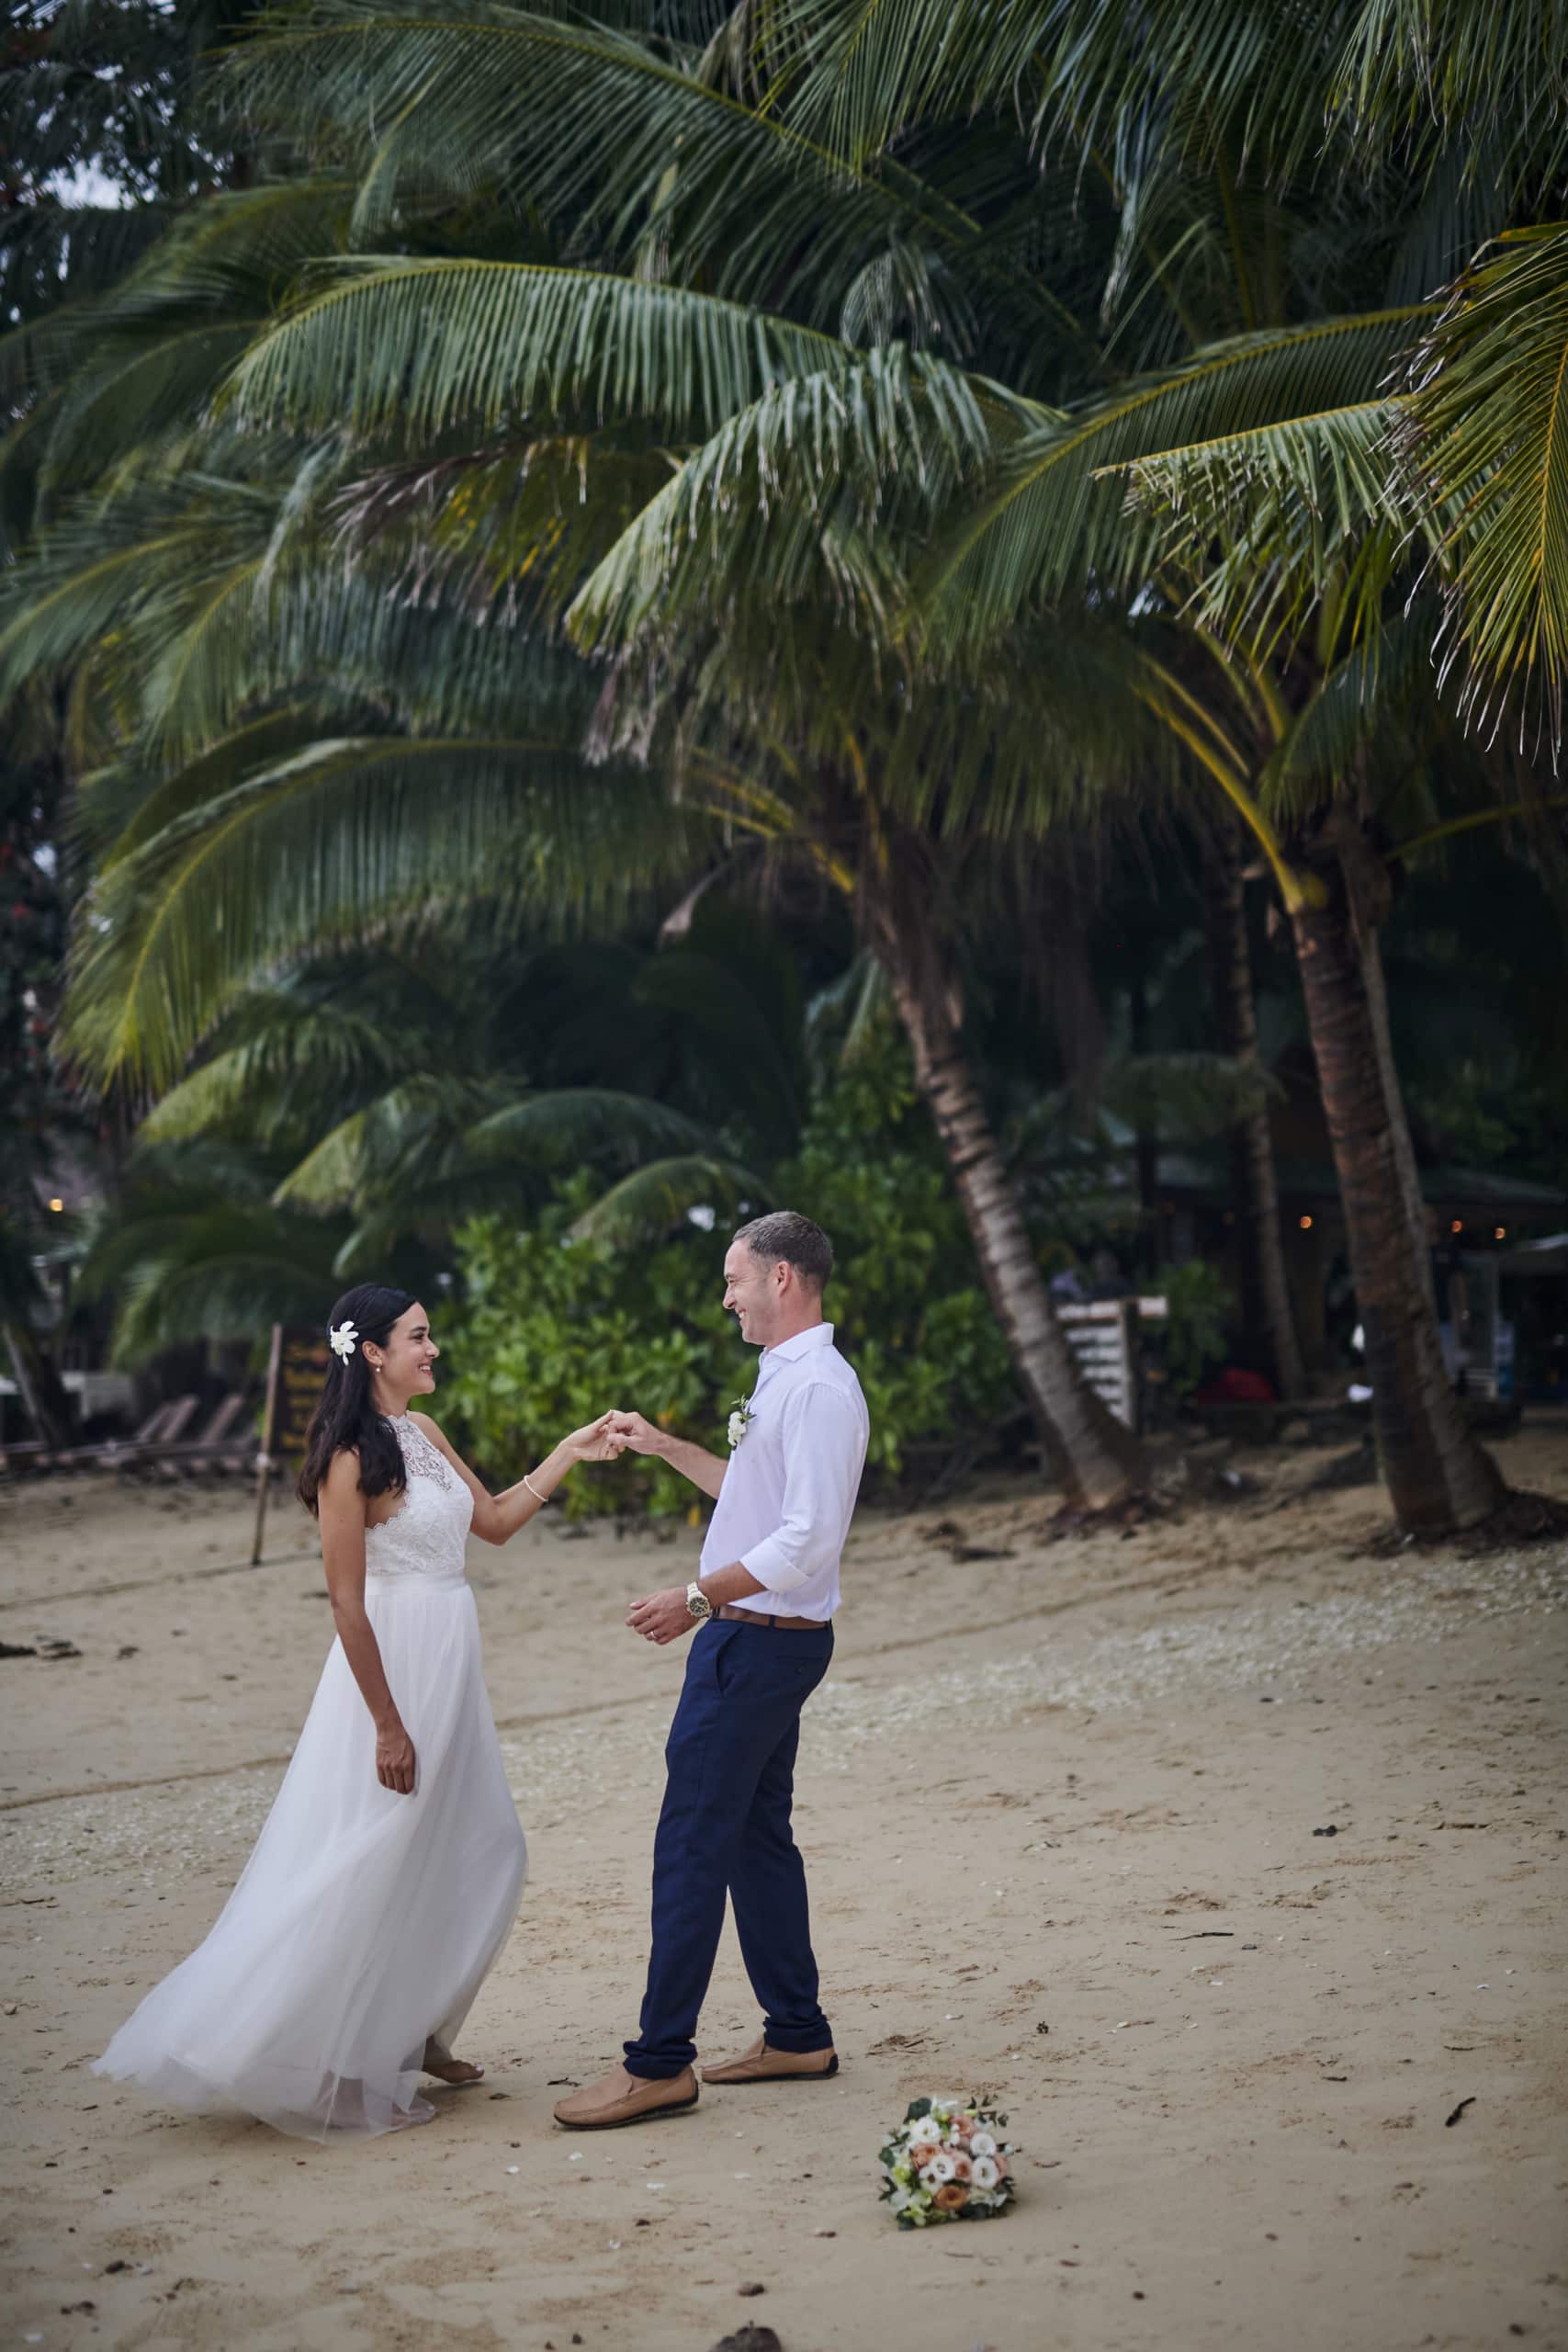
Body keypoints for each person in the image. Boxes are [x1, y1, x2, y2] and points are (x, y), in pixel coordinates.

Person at [94, 1283, 616, 2142]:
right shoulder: (347, 1459)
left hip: (450, 1660)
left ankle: (418, 2029)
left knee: (481, 1844)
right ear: (373, 1352)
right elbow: (345, 1602)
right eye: (418, 1336)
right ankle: (323, 2051)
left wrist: (569, 1450)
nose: (432, 1349)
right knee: (373, 1857)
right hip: (391, 1673)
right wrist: (387, 1723)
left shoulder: (425, 1432)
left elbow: (492, 1522)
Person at [553, 1211, 869, 2131]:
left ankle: (658, 2064)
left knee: (692, 1837)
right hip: (757, 1637)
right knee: (755, 1835)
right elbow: (755, 1498)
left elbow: (807, 1541)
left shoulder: (820, 1389)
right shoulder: (784, 1376)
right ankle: (797, 2033)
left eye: (734, 1278)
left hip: (757, 1641)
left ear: (782, 1277)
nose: (725, 1296)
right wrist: (663, 1445)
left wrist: (693, 1598)